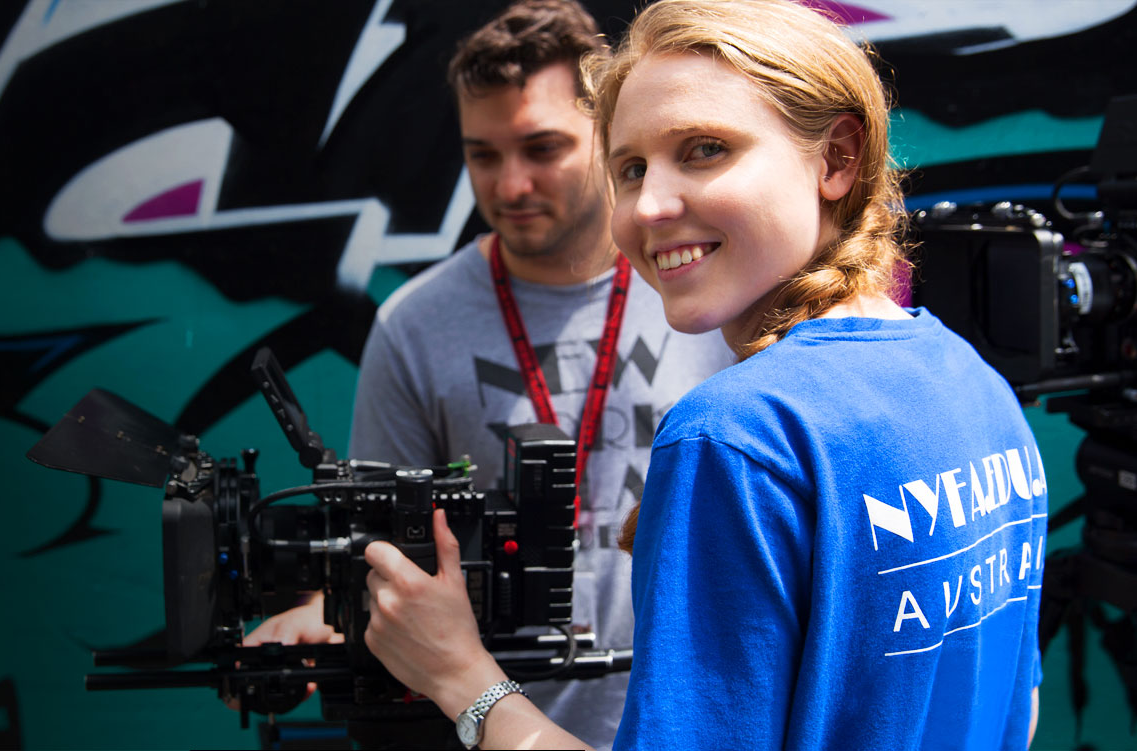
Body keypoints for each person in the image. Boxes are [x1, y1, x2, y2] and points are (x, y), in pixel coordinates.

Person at [360, 0, 1049, 749]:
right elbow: (1018, 708)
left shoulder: (734, 436)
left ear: (836, 158)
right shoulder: (977, 384)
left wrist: (463, 677)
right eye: (629, 167)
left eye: (705, 149)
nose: (649, 205)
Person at [241, 1, 732, 748]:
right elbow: (387, 548)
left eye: (542, 148)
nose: (509, 185)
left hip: (690, 722)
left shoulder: (700, 291)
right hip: (492, 727)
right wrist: (327, 611)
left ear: (604, 136)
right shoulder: (414, 326)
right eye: (484, 154)